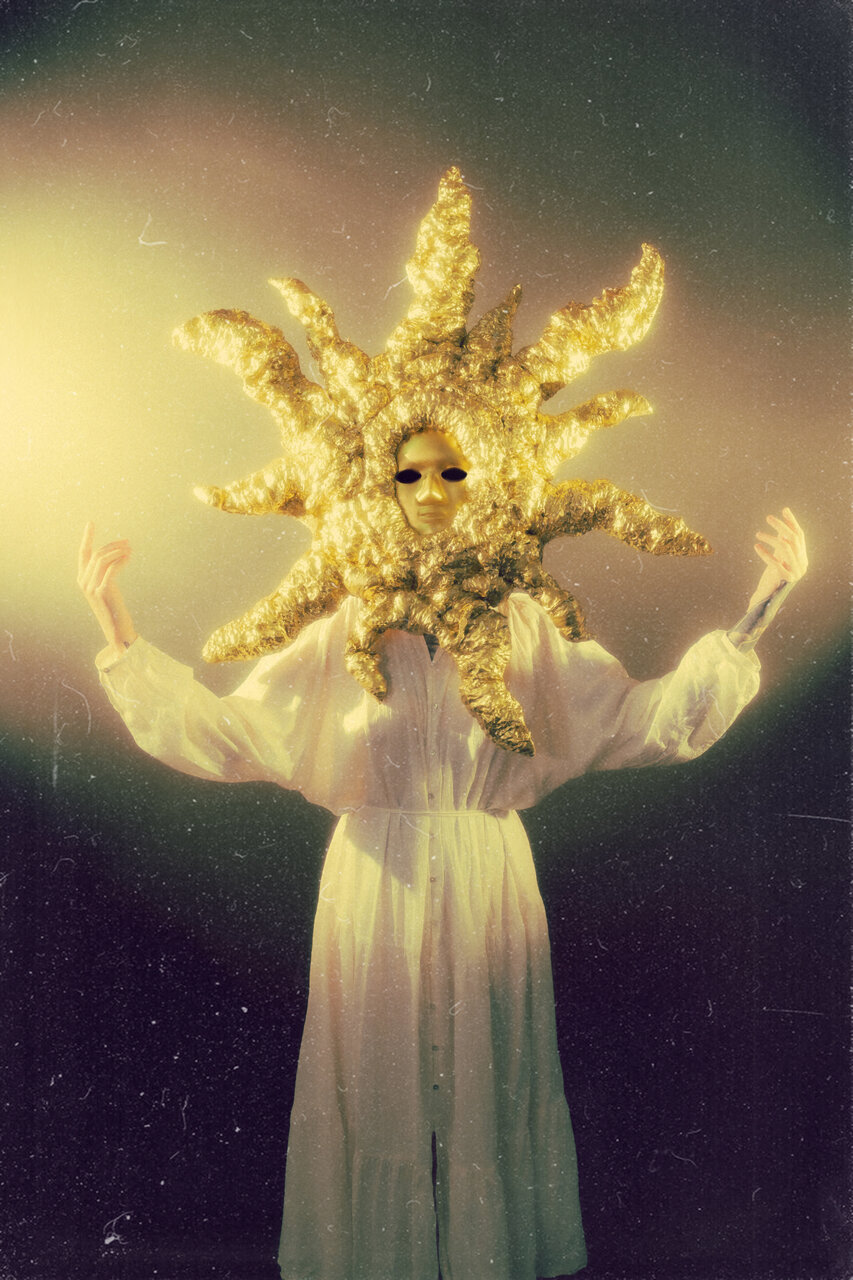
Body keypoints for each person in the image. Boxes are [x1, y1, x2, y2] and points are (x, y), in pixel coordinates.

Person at [78, 447, 806, 1279]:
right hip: (372, 880)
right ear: (379, 487)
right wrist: (118, 632)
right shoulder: (346, 627)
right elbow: (230, 733)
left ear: (483, 482)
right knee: (372, 1084)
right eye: (410, 473)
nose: (430, 491)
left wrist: (754, 616)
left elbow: (638, 720)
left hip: (482, 873)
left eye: (452, 471)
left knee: (486, 1084)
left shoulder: (521, 624)